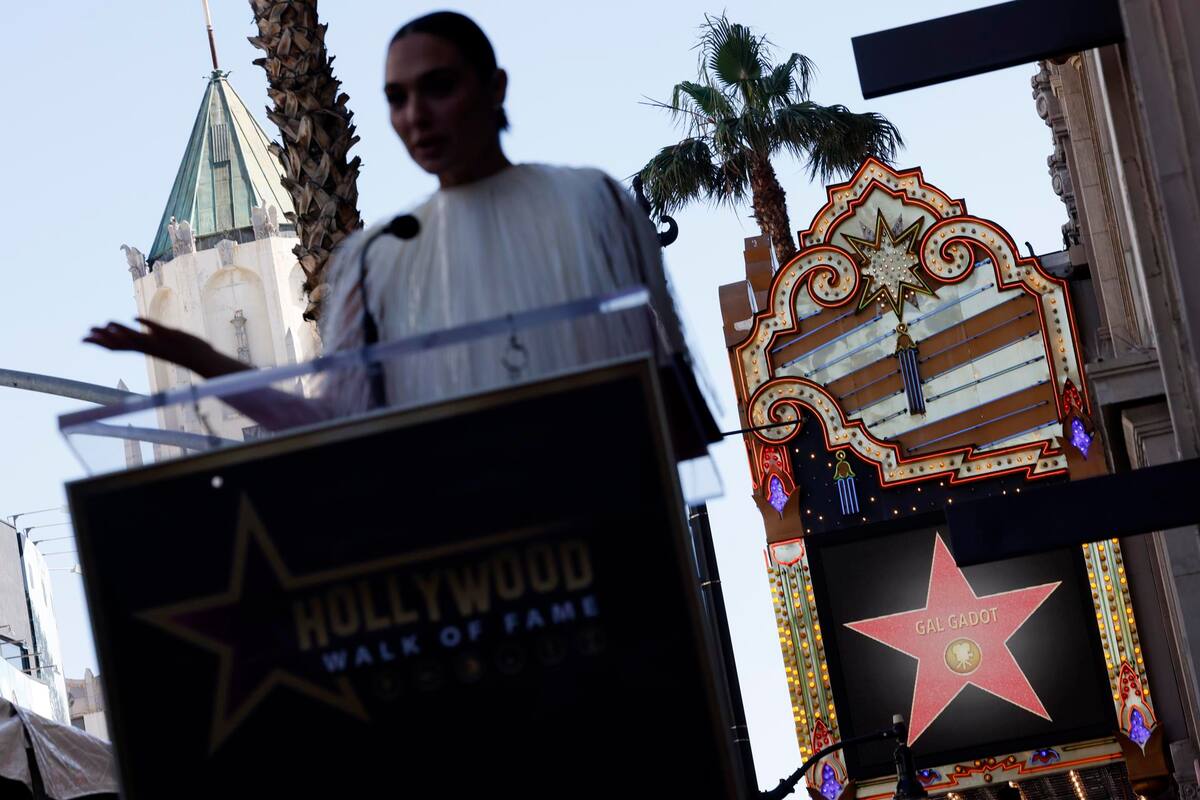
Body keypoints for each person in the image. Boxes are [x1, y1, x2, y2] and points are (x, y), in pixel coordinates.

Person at [86, 11, 682, 424]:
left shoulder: (590, 204)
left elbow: (667, 394)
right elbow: (334, 421)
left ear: (494, 86)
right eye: (398, 97)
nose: (416, 115)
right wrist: (206, 362)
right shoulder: (382, 259)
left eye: (438, 86)